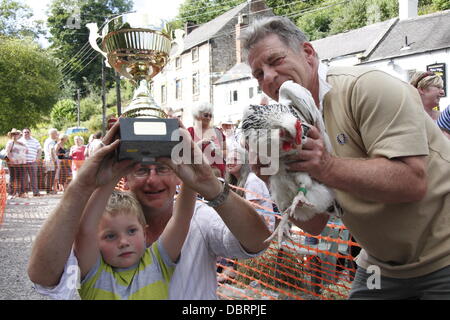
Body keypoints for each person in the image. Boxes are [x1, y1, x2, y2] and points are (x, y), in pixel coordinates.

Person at [241, 16, 450, 299]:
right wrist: (270, 178)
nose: (268, 77)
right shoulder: (286, 127)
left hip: (443, 259)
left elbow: (412, 182)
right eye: (258, 74)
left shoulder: (368, 87)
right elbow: (314, 225)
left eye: (275, 60)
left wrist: (326, 166)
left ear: (308, 53)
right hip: (380, 266)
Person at [28, 121, 271, 300]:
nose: (152, 180)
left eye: (163, 169)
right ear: (126, 177)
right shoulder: (104, 223)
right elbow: (43, 274)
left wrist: (207, 184)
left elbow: (259, 242)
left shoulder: (198, 219)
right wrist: (84, 185)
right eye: (142, 170)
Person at [74, 171, 196, 299]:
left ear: (144, 233)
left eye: (131, 231)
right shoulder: (92, 273)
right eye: (110, 236)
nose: (123, 242)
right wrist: (113, 171)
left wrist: (192, 167)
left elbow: (182, 217)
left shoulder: (158, 262)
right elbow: (84, 230)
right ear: (95, 241)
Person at [187, 102, 226, 177]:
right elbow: (185, 153)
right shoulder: (190, 131)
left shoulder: (217, 131)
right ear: (197, 115)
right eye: (206, 115)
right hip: (198, 173)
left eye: (210, 115)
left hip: (218, 172)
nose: (208, 118)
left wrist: (219, 152)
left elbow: (226, 151)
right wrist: (199, 144)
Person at [5, 128, 28, 199]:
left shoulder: (22, 143)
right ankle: (11, 193)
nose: (15, 135)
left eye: (17, 134)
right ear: (11, 135)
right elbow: (7, 152)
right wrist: (11, 160)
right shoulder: (10, 142)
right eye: (13, 134)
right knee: (13, 178)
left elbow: (27, 151)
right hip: (13, 163)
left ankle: (21, 193)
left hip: (22, 163)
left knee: (22, 178)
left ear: (19, 135)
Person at [19, 128, 42, 197]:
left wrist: (37, 158)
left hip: (32, 161)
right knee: (23, 177)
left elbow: (40, 150)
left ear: (30, 133)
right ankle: (24, 192)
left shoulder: (35, 141)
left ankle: (35, 192)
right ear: (22, 133)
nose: (26, 133)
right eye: (24, 132)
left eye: (27, 132)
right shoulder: (19, 141)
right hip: (23, 162)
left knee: (34, 177)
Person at [43, 128, 58, 195]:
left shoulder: (47, 140)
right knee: (51, 175)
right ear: (52, 134)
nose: (57, 135)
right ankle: (49, 190)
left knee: (49, 175)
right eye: (56, 133)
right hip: (51, 160)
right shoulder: (51, 141)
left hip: (48, 159)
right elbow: (51, 151)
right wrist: (54, 161)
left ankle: (49, 189)